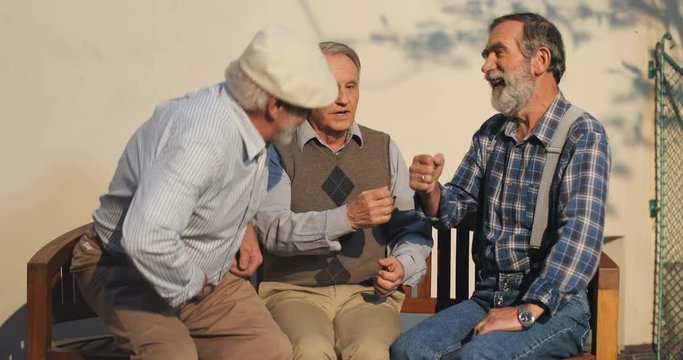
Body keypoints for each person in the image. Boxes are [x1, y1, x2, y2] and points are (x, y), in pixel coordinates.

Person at [69, 26, 338, 360]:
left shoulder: (246, 123)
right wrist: (194, 285)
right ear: (275, 105)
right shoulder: (203, 141)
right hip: (126, 267)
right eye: (303, 111)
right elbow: (145, 237)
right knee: (173, 354)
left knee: (269, 350)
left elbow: (213, 191)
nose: (306, 121)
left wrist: (243, 229)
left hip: (202, 273)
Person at [391, 12, 611, 359]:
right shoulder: (492, 133)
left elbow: (580, 236)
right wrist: (429, 189)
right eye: (486, 56)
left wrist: (526, 311)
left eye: (498, 53)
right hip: (488, 295)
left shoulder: (583, 134)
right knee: (408, 350)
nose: (486, 67)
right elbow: (455, 208)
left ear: (540, 60)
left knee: (477, 357)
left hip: (554, 307)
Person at [253, 41, 433, 360]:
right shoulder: (280, 149)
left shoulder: (383, 147)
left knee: (372, 351)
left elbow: (412, 231)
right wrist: (347, 218)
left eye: (351, 86)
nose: (343, 99)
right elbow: (273, 231)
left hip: (367, 295)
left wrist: (402, 267)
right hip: (293, 292)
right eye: (330, 87)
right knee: (309, 350)